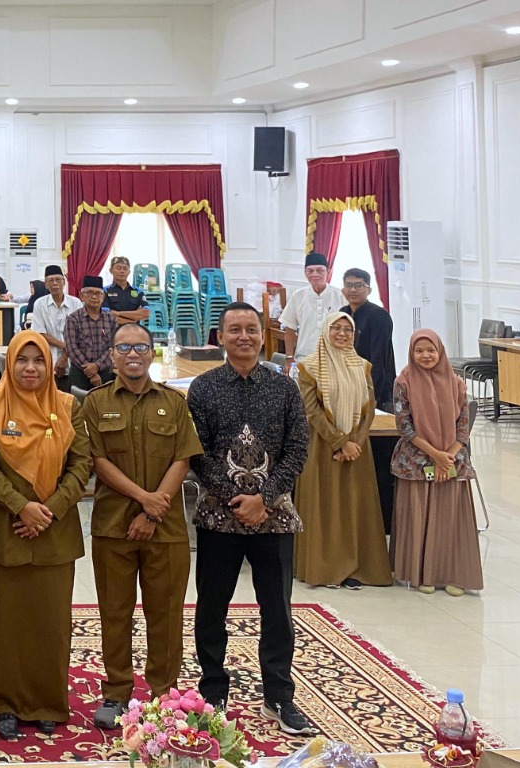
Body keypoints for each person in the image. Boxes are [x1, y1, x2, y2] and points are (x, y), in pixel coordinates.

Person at [188, 303, 313, 735]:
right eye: (235, 330)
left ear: (265, 336)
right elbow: (196, 453)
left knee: (277, 608)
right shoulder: (202, 388)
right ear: (220, 337)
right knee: (212, 606)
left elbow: (298, 448)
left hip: (274, 517)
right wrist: (237, 498)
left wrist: (265, 497)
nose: (244, 337)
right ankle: (212, 690)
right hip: (218, 517)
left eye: (252, 329)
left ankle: (279, 694)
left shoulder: (284, 389)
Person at [81, 323, 202, 729]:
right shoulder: (95, 404)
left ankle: (163, 694)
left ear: (152, 353)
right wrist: (143, 498)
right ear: (112, 355)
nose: (133, 354)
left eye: (141, 347)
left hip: (164, 529)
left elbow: (183, 459)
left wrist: (152, 511)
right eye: (124, 347)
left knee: (165, 614)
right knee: (114, 612)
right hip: (113, 527)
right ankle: (116, 693)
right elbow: (97, 460)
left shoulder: (173, 402)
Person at [0, 330, 91, 740]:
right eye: (22, 360)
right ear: (9, 365)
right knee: (3, 622)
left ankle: (47, 702)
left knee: (51, 623)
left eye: (38, 361)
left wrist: (50, 509)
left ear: (49, 365)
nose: (30, 369)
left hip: (54, 534)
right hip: (5, 531)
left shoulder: (69, 406)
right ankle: (2, 702)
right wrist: (21, 506)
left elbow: (82, 465)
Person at [293, 312, 392, 589]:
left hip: (357, 449)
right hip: (322, 447)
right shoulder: (309, 367)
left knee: (354, 506)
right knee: (325, 506)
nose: (341, 333)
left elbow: (369, 407)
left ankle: (357, 567)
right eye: (335, 328)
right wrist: (339, 442)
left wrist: (355, 442)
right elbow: (311, 411)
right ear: (325, 331)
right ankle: (326, 568)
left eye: (347, 329)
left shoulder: (362, 366)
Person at [391, 329, 482, 596]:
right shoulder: (403, 382)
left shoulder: (456, 383)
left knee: (450, 518)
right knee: (421, 517)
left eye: (431, 350)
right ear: (411, 353)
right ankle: (423, 574)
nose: (425, 356)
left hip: (452, 459)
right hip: (417, 459)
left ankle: (453, 574)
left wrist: (448, 455)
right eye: (419, 351)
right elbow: (405, 427)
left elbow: (463, 426)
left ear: (440, 351)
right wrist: (436, 455)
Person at [340, 268, 397, 411]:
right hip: (348, 386)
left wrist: (374, 396)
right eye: (348, 285)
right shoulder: (342, 313)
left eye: (358, 286)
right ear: (343, 289)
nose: (352, 290)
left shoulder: (379, 316)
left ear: (369, 290)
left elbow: (379, 359)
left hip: (377, 392)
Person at [280, 253, 345, 362]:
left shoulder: (341, 296)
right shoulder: (298, 296)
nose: (315, 274)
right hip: (304, 359)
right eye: (310, 271)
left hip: (335, 359)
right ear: (305, 273)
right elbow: (290, 329)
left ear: (328, 272)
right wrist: (289, 357)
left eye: (320, 270)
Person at [27, 264, 82, 386]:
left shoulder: (75, 303)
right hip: (48, 358)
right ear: (46, 284)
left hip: (74, 361)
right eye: (50, 280)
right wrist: (65, 346)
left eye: (58, 280)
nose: (55, 283)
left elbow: (80, 334)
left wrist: (65, 356)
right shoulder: (39, 304)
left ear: (64, 282)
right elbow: (40, 333)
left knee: (70, 398)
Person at [64, 274, 117, 391]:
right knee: (78, 407)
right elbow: (71, 348)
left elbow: (113, 347)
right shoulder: (73, 319)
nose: (94, 297)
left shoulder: (111, 319)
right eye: (89, 293)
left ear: (103, 297)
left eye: (98, 293)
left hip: (104, 373)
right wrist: (91, 372)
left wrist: (97, 366)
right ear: (82, 296)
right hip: (79, 373)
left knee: (104, 408)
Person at [104, 257, 149, 325]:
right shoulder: (105, 291)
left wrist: (118, 313)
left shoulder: (137, 291)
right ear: (111, 270)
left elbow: (146, 313)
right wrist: (131, 321)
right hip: (113, 332)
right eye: (118, 268)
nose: (122, 271)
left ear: (129, 272)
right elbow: (106, 316)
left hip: (133, 331)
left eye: (125, 268)